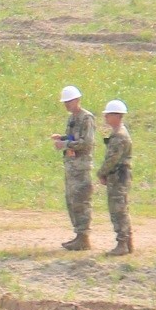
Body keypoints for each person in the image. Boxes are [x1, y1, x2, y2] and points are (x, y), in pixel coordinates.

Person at [50, 85, 96, 250]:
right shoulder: (72, 119)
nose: (67, 105)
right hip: (71, 166)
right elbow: (73, 137)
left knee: (81, 201)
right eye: (65, 103)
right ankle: (78, 235)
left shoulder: (86, 118)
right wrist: (63, 138)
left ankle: (84, 237)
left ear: (77, 100)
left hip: (81, 167)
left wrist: (65, 143)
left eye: (69, 102)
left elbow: (86, 142)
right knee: (71, 201)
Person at [97, 100, 133, 256]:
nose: (106, 117)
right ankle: (127, 242)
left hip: (118, 177)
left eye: (108, 114)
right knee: (121, 208)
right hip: (119, 176)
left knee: (118, 210)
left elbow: (112, 159)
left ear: (116, 116)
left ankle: (122, 244)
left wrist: (101, 173)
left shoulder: (119, 136)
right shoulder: (120, 132)